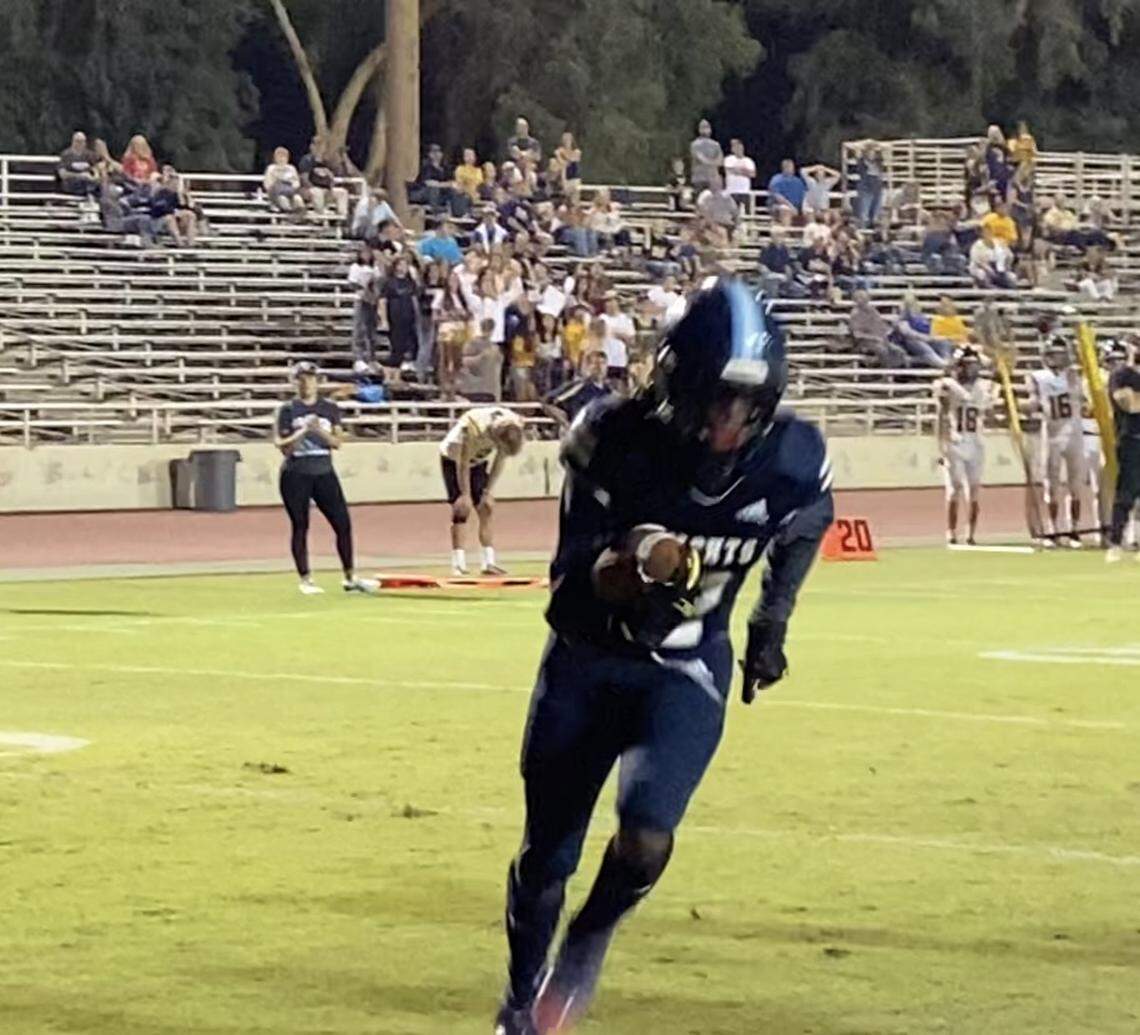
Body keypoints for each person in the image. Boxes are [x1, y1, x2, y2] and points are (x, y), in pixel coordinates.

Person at [493, 280, 833, 1035]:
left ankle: (587, 939)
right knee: (547, 855)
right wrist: (635, 561)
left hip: (687, 663)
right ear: (676, 383)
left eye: (747, 404)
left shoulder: (792, 456)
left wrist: (772, 620)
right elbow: (569, 585)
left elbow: (809, 518)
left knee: (647, 835)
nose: (729, 421)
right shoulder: (614, 436)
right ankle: (519, 995)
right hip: (587, 659)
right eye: (715, 398)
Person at [273, 361, 377, 595]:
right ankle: (305, 578)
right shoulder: (288, 409)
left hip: (324, 471)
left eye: (310, 378)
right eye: (302, 378)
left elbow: (338, 442)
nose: (307, 382)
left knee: (342, 523)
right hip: (296, 472)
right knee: (300, 525)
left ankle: (350, 577)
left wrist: (318, 430)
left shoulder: (329, 408)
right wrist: (303, 432)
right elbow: (282, 445)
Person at [439, 406, 525, 575]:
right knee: (462, 509)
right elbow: (463, 463)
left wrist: (487, 491)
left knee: (486, 507)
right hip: (454, 459)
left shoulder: (513, 425)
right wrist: (465, 494)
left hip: (479, 460)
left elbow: (499, 460)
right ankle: (458, 563)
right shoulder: (473, 426)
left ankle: (488, 562)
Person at [1026, 337, 1087, 547]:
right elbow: (1033, 401)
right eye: (1056, 353)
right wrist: (1031, 406)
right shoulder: (1037, 377)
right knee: (1050, 484)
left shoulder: (1074, 375)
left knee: (1075, 484)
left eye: (1062, 353)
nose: (1060, 357)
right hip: (1050, 433)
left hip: (1074, 432)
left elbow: (1084, 402)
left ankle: (1074, 529)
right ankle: (1053, 529)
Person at [935, 347, 997, 546]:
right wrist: (941, 446)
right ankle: (951, 533)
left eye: (973, 365)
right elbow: (941, 417)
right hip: (955, 440)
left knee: (974, 490)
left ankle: (971, 534)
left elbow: (989, 413)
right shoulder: (947, 385)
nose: (971, 369)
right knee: (954, 489)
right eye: (967, 365)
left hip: (976, 441)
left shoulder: (984, 386)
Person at [1105, 342, 1140, 563]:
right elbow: (1129, 404)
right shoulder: (1122, 375)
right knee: (1125, 494)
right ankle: (1115, 542)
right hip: (1131, 440)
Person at [541, 347, 611, 429]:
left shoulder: (609, 392)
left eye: (603, 363)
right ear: (588, 367)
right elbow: (547, 402)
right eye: (595, 363)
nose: (599, 367)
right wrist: (566, 424)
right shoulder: (578, 386)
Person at [379, 255, 421, 369]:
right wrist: (384, 320)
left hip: (409, 316)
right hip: (395, 317)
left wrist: (418, 316)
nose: (403, 267)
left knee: (412, 343)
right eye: (401, 265)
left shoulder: (410, 282)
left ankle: (409, 363)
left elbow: (414, 299)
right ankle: (394, 370)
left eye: (405, 265)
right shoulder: (389, 282)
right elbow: (383, 301)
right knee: (397, 345)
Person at [299, 135, 351, 218]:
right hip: (311, 189)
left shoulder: (326, 162)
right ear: (311, 146)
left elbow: (332, 177)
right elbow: (304, 178)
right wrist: (312, 188)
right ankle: (321, 216)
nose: (320, 148)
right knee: (317, 192)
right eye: (317, 145)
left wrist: (330, 189)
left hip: (326, 190)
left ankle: (341, 217)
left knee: (342, 192)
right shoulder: (307, 160)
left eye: (322, 145)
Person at [456, 318, 503, 402]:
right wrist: (481, 357)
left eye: (490, 327)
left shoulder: (495, 347)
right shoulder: (472, 343)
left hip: (491, 390)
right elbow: (464, 361)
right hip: (474, 389)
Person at [58, 132, 101, 196]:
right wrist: (80, 175)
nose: (79, 144)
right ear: (73, 142)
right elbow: (62, 174)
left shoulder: (89, 155)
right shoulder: (66, 155)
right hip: (71, 184)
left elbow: (95, 168)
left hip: (87, 183)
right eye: (77, 141)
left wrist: (95, 176)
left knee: (96, 185)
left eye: (82, 141)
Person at [263, 147, 305, 213]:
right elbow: (268, 185)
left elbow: (297, 182)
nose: (281, 159)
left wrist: (293, 186)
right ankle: (288, 215)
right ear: (275, 158)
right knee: (283, 200)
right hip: (277, 194)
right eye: (279, 157)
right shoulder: (271, 169)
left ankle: (298, 218)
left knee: (298, 200)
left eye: (284, 156)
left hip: (291, 192)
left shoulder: (291, 168)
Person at [689, 119, 722, 193]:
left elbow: (720, 161)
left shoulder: (716, 144)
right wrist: (713, 163)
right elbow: (700, 158)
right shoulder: (695, 144)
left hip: (713, 180)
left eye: (707, 127)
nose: (705, 129)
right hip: (699, 178)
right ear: (699, 129)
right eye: (703, 127)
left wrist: (711, 163)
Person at [722, 139, 756, 210]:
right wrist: (745, 171)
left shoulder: (749, 161)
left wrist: (738, 170)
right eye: (735, 147)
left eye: (739, 147)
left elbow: (752, 174)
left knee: (747, 212)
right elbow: (730, 170)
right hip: (732, 191)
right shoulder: (728, 159)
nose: (738, 149)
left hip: (745, 191)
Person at [554, 132, 582, 201]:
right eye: (565, 140)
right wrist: (560, 156)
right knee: (566, 196)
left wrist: (561, 155)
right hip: (564, 177)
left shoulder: (577, 151)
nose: (567, 142)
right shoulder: (559, 151)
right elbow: (561, 163)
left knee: (575, 195)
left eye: (569, 140)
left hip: (575, 177)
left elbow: (573, 160)